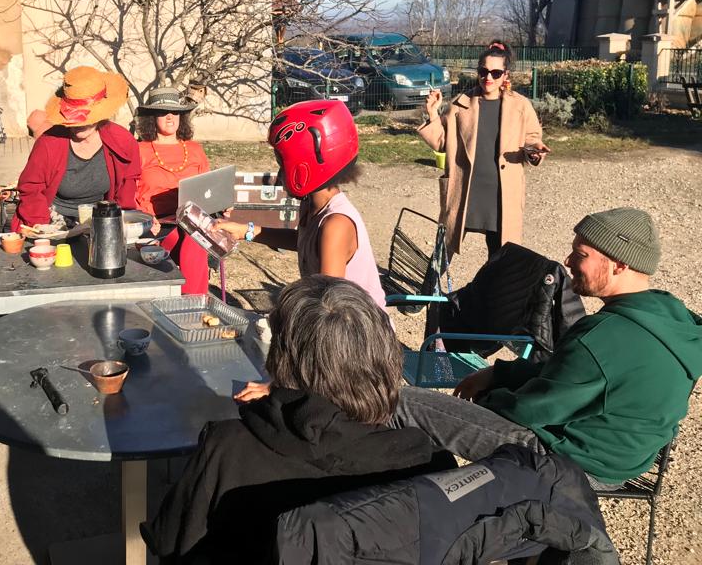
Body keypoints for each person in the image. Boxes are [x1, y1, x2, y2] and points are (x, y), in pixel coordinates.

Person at [141, 276, 451, 564]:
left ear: (279, 359)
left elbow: (171, 544)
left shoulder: (227, 450)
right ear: (384, 358)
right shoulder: (429, 464)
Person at [392, 207, 702, 488]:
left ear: (619, 264)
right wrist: (500, 372)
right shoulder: (672, 318)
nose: (567, 262)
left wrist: (487, 398)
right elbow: (578, 374)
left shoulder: (602, 337)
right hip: (627, 457)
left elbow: (527, 410)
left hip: (573, 463)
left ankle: (412, 505)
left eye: (580, 255)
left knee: (403, 403)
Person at [216, 99, 386, 311]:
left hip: (356, 334)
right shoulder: (312, 205)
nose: (279, 177)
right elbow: (304, 241)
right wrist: (245, 231)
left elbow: (326, 307)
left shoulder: (336, 225)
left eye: (282, 165)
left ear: (306, 167)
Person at [419, 40, 549, 259]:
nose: (488, 78)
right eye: (483, 71)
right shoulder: (461, 104)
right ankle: (429, 293)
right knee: (441, 256)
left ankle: (493, 294)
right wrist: (433, 113)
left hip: (501, 193)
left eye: (496, 73)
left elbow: (533, 139)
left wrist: (535, 151)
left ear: (505, 76)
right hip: (464, 190)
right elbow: (442, 142)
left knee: (501, 259)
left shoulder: (521, 106)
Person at [11, 66, 142, 231]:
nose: (79, 126)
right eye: (74, 122)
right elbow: (30, 188)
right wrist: (43, 227)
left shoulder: (123, 141)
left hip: (101, 219)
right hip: (52, 219)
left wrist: (119, 224)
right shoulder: (49, 142)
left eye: (86, 120)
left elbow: (127, 188)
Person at [135, 87, 210, 294]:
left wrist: (221, 205)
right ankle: (195, 303)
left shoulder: (195, 149)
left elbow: (207, 188)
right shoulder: (139, 150)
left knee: (194, 234)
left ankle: (191, 301)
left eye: (175, 112)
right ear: (152, 118)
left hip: (193, 220)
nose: (170, 117)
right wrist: (143, 218)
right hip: (157, 227)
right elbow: (129, 193)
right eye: (163, 112)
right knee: (194, 238)